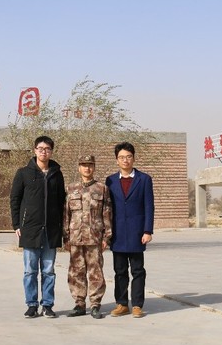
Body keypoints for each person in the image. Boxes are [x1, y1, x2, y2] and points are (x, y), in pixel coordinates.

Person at [10, 135, 66, 318]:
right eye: (40, 148)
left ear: (51, 151)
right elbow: (15, 200)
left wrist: (61, 226)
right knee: (30, 271)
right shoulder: (23, 173)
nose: (44, 152)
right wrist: (17, 224)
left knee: (49, 271)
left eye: (47, 149)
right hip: (30, 229)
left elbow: (61, 201)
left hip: (51, 230)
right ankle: (32, 305)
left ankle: (47, 305)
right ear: (35, 150)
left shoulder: (56, 174)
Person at [105, 142, 154, 318]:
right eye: (121, 157)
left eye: (128, 157)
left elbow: (149, 206)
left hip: (136, 232)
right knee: (119, 271)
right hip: (117, 233)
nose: (125, 160)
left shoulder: (144, 179)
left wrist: (147, 230)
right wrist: (106, 232)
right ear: (116, 160)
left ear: (133, 158)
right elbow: (107, 208)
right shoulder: (110, 180)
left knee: (138, 270)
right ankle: (122, 304)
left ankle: (137, 305)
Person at [63, 154, 112, 319]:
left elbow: (107, 213)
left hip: (94, 237)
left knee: (95, 271)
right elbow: (66, 214)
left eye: (90, 165)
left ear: (94, 167)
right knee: (76, 271)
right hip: (75, 237)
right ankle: (79, 304)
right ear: (79, 168)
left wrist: (106, 237)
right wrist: (65, 236)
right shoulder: (71, 188)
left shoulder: (102, 188)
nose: (87, 168)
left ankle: (95, 304)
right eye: (84, 165)